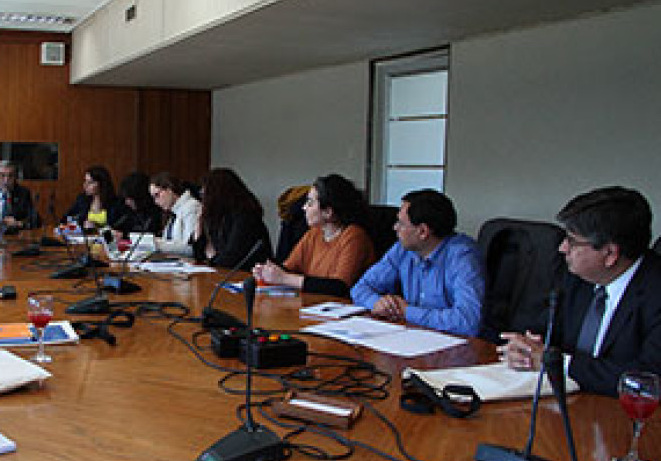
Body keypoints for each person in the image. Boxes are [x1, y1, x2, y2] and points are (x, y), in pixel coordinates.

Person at [500, 186, 661, 396]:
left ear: (610, 254)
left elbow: (647, 380)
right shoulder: (578, 277)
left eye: (572, 241)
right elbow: (543, 330)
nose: (562, 248)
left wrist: (559, 363)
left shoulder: (654, 292)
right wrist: (524, 348)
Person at [350, 189, 485, 337]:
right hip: (412, 336)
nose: (395, 228)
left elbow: (468, 322)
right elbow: (360, 288)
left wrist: (407, 312)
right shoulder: (402, 249)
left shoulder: (462, 256)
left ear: (423, 232)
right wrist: (378, 303)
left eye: (401, 223)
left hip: (452, 343)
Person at [253, 174, 377, 297]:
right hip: (314, 303)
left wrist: (283, 278)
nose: (304, 207)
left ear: (328, 212)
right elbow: (290, 267)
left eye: (310, 203)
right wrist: (267, 272)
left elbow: (340, 287)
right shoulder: (314, 233)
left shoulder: (354, 236)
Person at [192, 168, 271, 270]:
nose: (202, 195)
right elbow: (199, 255)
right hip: (228, 272)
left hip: (250, 273)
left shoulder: (245, 215)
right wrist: (199, 224)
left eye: (205, 191)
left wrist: (211, 261)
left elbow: (231, 258)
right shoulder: (217, 216)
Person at [149, 171, 201, 256]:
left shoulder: (192, 207)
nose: (155, 201)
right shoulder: (174, 211)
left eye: (157, 195)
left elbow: (191, 247)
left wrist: (156, 243)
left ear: (170, 189)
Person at [63, 165, 126, 231]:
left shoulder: (115, 204)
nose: (85, 185)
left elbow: (120, 228)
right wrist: (81, 224)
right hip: (83, 236)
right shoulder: (82, 200)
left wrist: (97, 227)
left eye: (90, 182)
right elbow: (65, 219)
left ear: (101, 184)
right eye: (85, 181)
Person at [115, 171, 162, 235]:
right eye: (126, 198)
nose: (127, 202)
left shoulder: (157, 214)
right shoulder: (127, 213)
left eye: (130, 199)